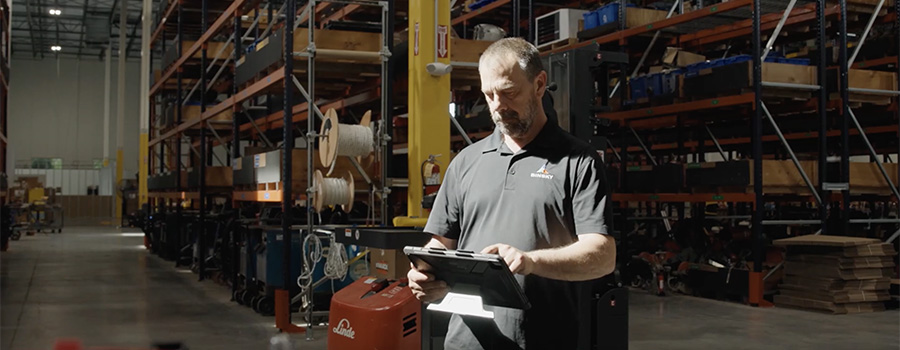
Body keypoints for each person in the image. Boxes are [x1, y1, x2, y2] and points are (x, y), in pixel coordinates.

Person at [407, 37, 616, 350]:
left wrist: (529, 261)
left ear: (540, 84)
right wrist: (425, 273)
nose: (498, 106)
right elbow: (442, 240)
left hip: (547, 339)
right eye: (489, 95)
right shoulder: (466, 161)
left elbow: (602, 257)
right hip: (467, 342)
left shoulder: (578, 161)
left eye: (509, 92)